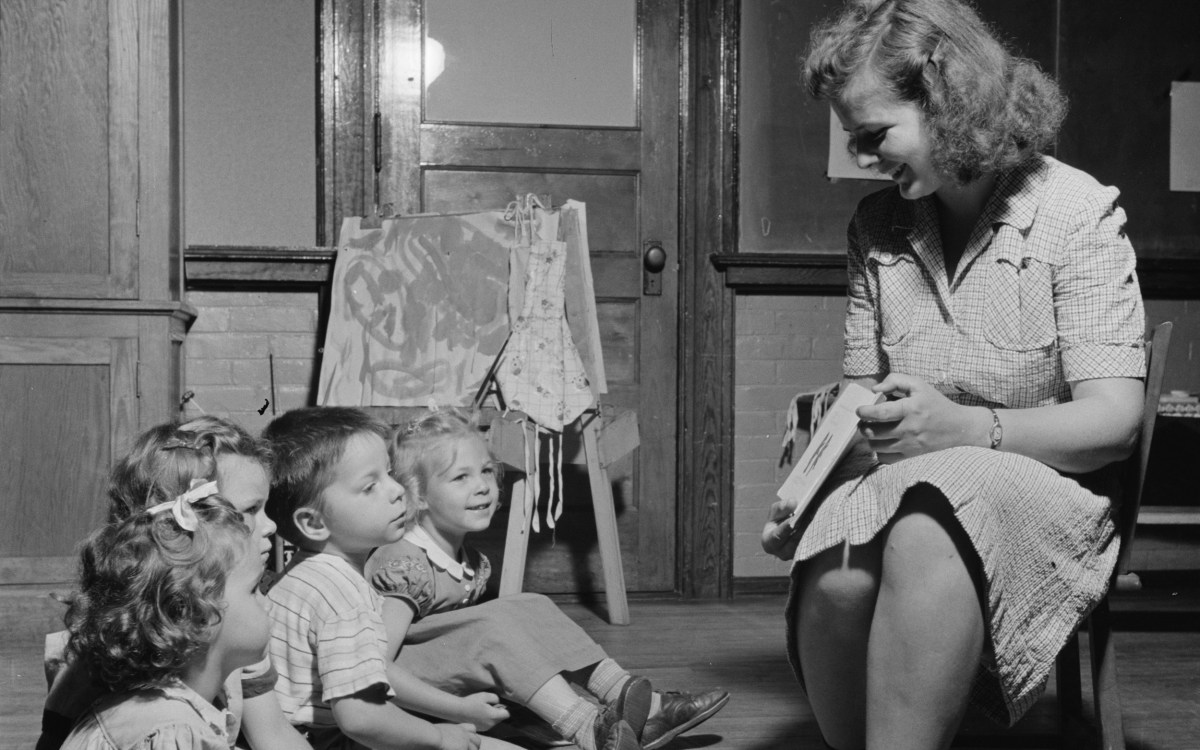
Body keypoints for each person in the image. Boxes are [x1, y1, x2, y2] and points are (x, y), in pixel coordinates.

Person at [759, 1, 1147, 749]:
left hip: (1048, 481)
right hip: (912, 477)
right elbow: (865, 387)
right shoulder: (877, 226)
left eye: (874, 135)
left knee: (931, 521)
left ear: (948, 101)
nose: (864, 156)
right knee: (837, 563)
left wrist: (969, 428)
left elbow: (1114, 421)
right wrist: (820, 451)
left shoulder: (1076, 213)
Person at [366, 408, 730, 750]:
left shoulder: (467, 559)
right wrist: (456, 710)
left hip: (445, 679)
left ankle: (637, 702)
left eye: (487, 471)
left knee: (529, 604)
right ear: (416, 495)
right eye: (461, 477)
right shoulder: (403, 562)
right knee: (491, 628)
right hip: (407, 697)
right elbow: (375, 667)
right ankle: (586, 726)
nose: (482, 486)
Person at [260, 406, 550, 750]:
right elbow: (361, 718)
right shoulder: (343, 597)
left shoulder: (304, 577)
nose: (397, 490)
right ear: (314, 523)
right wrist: (439, 736)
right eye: (370, 486)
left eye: (389, 473)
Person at [39, 417, 309, 750]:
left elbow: (273, 735)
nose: (269, 526)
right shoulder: (118, 648)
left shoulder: (233, 622)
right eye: (249, 510)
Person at [60, 485, 271, 749]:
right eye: (254, 589)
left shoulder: (147, 714)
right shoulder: (173, 734)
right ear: (195, 615)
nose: (266, 601)